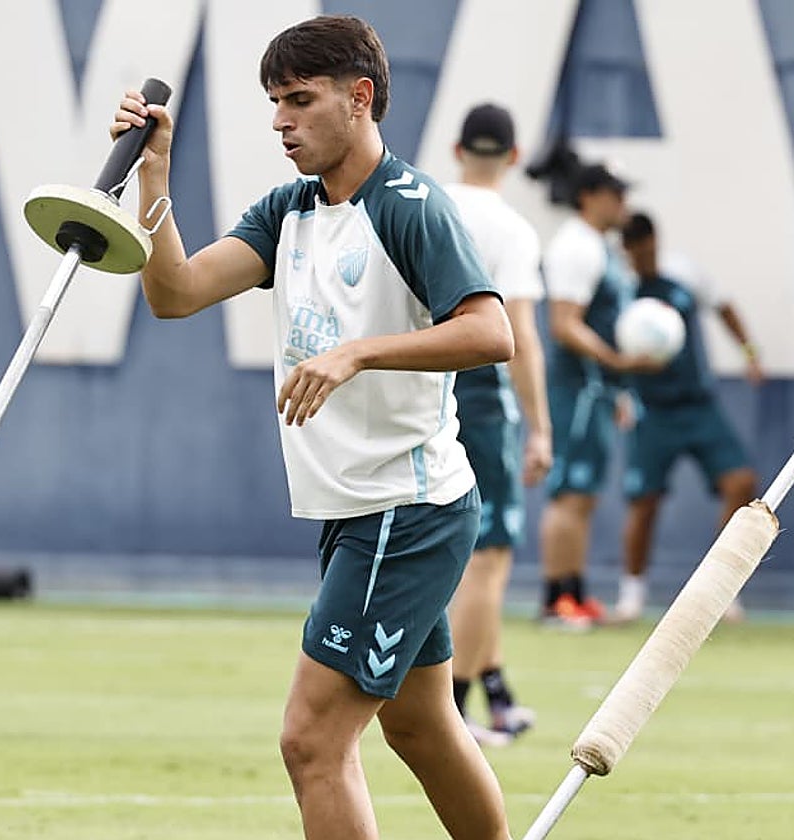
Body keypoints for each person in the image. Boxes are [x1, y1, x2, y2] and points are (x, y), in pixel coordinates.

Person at [112, 15, 513, 840]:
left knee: (312, 739)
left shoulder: (410, 207)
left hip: (405, 508)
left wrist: (359, 354)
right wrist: (156, 175)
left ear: (359, 98)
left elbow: (489, 333)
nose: (279, 122)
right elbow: (176, 291)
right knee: (419, 727)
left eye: (300, 100)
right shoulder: (288, 211)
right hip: (356, 508)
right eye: (272, 102)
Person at [444, 104, 551, 745]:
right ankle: (452, 712)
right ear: (513, 157)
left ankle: (495, 691)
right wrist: (541, 427)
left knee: (468, 556)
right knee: (490, 556)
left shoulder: (426, 204)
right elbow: (521, 337)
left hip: (418, 379)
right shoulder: (511, 228)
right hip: (480, 393)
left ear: (458, 149)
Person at [614, 211, 761, 622]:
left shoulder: (684, 274)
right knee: (644, 501)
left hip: (699, 405)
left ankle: (721, 589)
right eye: (634, 249)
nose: (643, 255)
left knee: (741, 481)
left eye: (648, 246)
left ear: (655, 241)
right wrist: (621, 395)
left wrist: (748, 353)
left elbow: (724, 306)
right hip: (652, 411)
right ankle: (632, 595)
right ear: (625, 250)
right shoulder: (622, 289)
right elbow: (612, 351)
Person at [537, 163, 658, 629]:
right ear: (588, 195)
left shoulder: (600, 247)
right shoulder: (574, 246)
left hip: (600, 392)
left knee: (583, 496)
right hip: (579, 393)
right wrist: (615, 363)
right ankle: (555, 599)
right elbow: (564, 324)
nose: (623, 203)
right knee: (569, 492)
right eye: (615, 194)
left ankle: (575, 593)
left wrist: (621, 386)